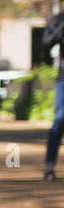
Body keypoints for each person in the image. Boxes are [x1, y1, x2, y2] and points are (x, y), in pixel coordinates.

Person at [43, 12, 64, 180]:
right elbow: (47, 41)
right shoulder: (58, 19)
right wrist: (61, 28)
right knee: (59, 119)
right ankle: (49, 166)